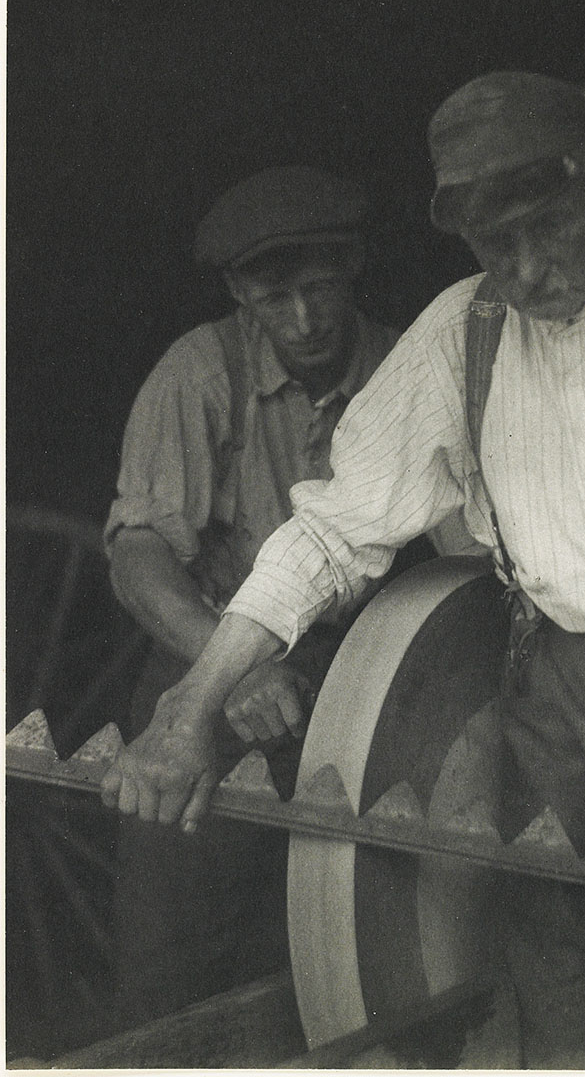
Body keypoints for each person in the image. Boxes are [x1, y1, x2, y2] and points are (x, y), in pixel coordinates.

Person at [101, 75, 585, 1067]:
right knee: (580, 1032)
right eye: (491, 247)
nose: (525, 270)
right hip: (562, 719)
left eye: (545, 230)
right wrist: (193, 707)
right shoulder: (457, 335)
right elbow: (328, 533)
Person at [103, 163, 423, 1026]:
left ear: (355, 265)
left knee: (345, 967)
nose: (306, 321)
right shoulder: (200, 374)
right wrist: (231, 673)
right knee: (175, 970)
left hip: (362, 686)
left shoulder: (410, 370)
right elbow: (138, 561)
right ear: (238, 291)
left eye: (321, 289)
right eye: (275, 300)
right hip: (199, 667)